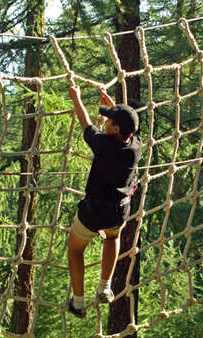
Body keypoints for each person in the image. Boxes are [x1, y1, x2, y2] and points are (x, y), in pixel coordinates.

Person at [66, 85, 142, 318]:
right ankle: (105, 286)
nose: (104, 122)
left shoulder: (103, 145)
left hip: (93, 212)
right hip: (118, 211)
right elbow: (126, 127)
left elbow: (85, 122)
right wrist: (112, 108)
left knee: (75, 250)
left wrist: (76, 98)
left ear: (116, 129)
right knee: (113, 237)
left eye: (108, 120)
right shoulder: (135, 146)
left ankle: (78, 303)